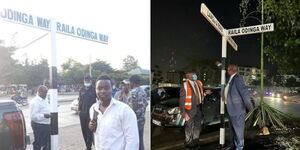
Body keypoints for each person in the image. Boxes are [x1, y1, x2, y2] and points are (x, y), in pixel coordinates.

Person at [89, 75, 139, 150]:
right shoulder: (93, 108)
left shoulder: (124, 110)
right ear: (95, 90)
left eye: (106, 88)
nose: (103, 91)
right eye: (99, 88)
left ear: (112, 88)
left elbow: (132, 141)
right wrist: (91, 126)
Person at [223, 64, 254, 150]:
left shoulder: (238, 78)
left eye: (228, 69)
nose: (227, 70)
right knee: (232, 129)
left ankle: (239, 147)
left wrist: (250, 107)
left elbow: (244, 93)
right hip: (230, 108)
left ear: (231, 70)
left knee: (238, 130)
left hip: (237, 109)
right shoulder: (231, 78)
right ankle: (232, 144)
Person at [179, 71, 204, 149]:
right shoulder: (185, 85)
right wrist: (183, 112)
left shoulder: (199, 83)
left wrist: (205, 93)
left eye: (195, 74)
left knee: (197, 125)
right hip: (189, 109)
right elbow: (182, 99)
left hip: (199, 108)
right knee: (189, 126)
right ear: (188, 76)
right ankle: (188, 142)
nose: (195, 76)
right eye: (193, 75)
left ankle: (196, 140)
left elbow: (199, 94)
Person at [127, 75, 148, 150]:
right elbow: (145, 105)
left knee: (133, 142)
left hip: (134, 121)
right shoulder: (143, 92)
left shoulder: (132, 92)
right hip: (141, 119)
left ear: (132, 82)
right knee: (140, 140)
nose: (129, 84)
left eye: (129, 82)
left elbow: (131, 108)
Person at [78, 76, 97, 150]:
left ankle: (89, 147)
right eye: (85, 80)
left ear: (90, 81)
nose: (86, 82)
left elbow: (98, 100)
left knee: (90, 130)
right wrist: (79, 110)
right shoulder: (81, 89)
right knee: (84, 130)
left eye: (88, 80)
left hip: (91, 113)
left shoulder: (94, 89)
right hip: (82, 113)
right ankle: (87, 145)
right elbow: (80, 100)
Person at [30, 85, 51, 150]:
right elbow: (33, 116)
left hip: (47, 124)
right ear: (39, 92)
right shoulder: (34, 102)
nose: (46, 94)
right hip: (39, 126)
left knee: (47, 143)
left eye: (46, 92)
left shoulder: (45, 99)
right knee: (38, 143)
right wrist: (44, 116)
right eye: (44, 92)